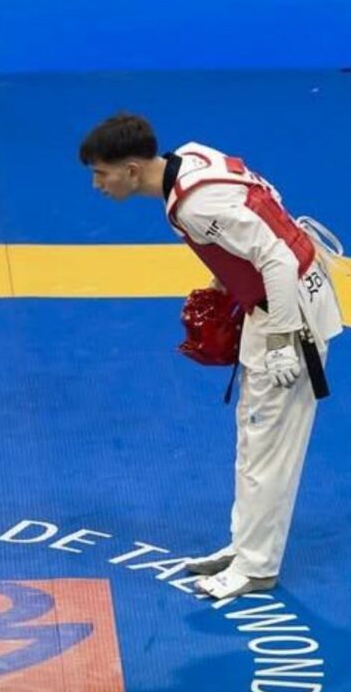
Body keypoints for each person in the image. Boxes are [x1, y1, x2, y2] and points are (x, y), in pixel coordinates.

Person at [78, 113, 343, 600]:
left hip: (288, 318)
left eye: (101, 173)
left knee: (269, 448)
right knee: (253, 440)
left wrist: (282, 341)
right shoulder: (193, 157)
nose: (97, 185)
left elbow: (278, 258)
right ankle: (246, 547)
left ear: (132, 170)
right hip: (272, 306)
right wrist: (226, 280)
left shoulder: (196, 206)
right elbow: (265, 202)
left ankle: (257, 567)